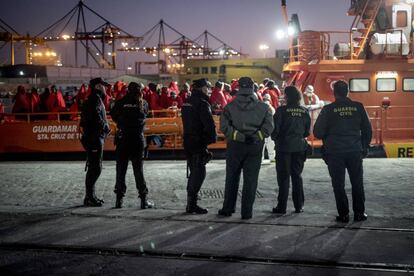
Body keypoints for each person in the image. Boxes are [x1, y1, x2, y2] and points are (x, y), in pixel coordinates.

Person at [314, 80, 372, 223]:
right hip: (354, 150)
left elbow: (318, 132)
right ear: (347, 92)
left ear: (334, 93)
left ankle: (343, 214)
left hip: (334, 152)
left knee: (338, 184)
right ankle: (359, 213)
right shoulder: (358, 107)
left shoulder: (328, 109)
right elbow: (367, 130)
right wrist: (364, 146)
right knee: (357, 183)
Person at [218, 77, 274, 219]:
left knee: (231, 178)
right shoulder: (264, 107)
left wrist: (241, 137)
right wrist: (254, 137)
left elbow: (224, 127)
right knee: (251, 180)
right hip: (255, 147)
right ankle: (246, 212)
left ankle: (228, 209)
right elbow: (269, 128)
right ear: (253, 88)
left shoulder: (229, 107)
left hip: (235, 146)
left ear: (238, 88)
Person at [110, 82, 154, 209]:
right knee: (138, 171)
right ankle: (143, 200)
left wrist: (122, 122)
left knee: (121, 170)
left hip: (123, 139)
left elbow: (114, 116)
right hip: (137, 140)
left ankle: (119, 200)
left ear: (127, 90)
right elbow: (145, 115)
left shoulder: (120, 102)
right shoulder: (143, 103)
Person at [271, 86, 311, 214]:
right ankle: (299, 206)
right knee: (297, 176)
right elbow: (306, 132)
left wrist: (276, 138)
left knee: (283, 177)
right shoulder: (304, 111)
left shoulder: (281, 111)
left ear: (287, 97)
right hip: (299, 147)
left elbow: (275, 130)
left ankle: (281, 207)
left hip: (284, 147)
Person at [181, 78, 217, 214]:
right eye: (208, 88)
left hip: (188, 141)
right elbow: (208, 124)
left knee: (193, 171)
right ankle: (192, 205)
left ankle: (191, 202)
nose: (209, 91)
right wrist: (209, 139)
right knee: (198, 173)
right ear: (202, 89)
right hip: (198, 142)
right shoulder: (202, 103)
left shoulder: (186, 102)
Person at [80, 77, 111, 207]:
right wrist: (106, 128)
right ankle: (89, 197)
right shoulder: (94, 100)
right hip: (94, 138)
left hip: (93, 137)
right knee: (95, 168)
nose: (105, 88)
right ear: (98, 86)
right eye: (103, 86)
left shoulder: (94, 99)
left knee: (94, 167)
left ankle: (90, 196)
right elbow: (97, 117)